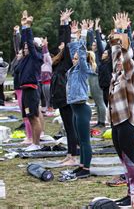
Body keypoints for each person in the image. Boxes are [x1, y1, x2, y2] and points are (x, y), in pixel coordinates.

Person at [108, 12, 134, 206]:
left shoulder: (132, 77)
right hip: (116, 122)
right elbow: (116, 54)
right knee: (123, 161)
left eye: (122, 59)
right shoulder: (117, 75)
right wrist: (117, 32)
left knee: (130, 161)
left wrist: (124, 34)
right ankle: (128, 193)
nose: (119, 61)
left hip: (127, 121)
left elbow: (126, 58)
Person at [61, 20, 93, 181]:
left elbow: (80, 51)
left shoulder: (82, 69)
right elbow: (73, 49)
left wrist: (84, 33)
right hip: (74, 109)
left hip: (82, 109)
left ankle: (86, 169)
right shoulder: (72, 70)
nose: (74, 60)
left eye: (76, 59)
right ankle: (81, 166)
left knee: (85, 141)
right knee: (79, 140)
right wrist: (73, 34)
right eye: (73, 59)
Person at [51, 9, 79, 165]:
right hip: (61, 99)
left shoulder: (67, 61)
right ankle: (69, 155)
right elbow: (61, 42)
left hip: (67, 98)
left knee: (71, 127)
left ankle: (73, 157)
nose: (60, 47)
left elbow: (66, 43)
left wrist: (66, 24)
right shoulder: (59, 62)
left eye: (63, 47)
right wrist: (61, 23)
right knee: (67, 128)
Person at [17, 10, 44, 152]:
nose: (26, 48)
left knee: (33, 118)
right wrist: (23, 27)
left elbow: (29, 43)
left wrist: (28, 27)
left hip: (32, 90)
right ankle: (34, 142)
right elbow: (23, 43)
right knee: (29, 117)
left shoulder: (36, 57)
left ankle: (36, 143)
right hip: (26, 90)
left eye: (29, 47)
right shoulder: (26, 58)